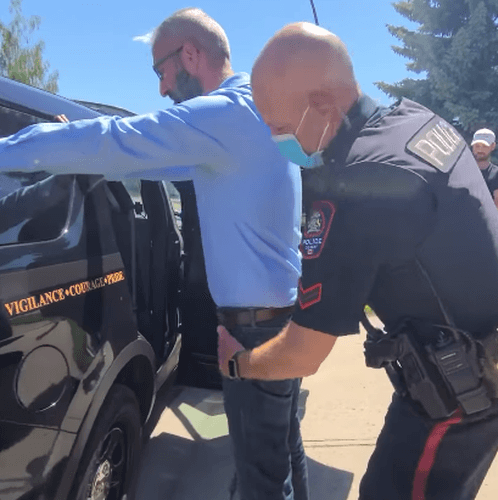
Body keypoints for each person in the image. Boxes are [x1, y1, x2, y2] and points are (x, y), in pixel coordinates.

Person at [216, 22, 498, 500]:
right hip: (491, 368)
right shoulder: (414, 119)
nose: (271, 137)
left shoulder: (354, 188)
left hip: (456, 399)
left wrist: (239, 364)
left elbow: (304, 353)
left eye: (277, 126)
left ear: (322, 105)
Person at [0, 9, 308, 500]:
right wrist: (77, 145)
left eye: (160, 71)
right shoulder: (262, 113)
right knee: (282, 457)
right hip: (281, 319)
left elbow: (118, 141)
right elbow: (167, 163)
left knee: (263, 480)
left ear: (190, 54)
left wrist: (14, 148)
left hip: (256, 330)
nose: (162, 88)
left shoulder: (224, 115)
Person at [471, 128, 498, 214]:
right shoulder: (461, 171)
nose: (480, 150)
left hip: (481, 225)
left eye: (485, 146)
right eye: (477, 146)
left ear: (493, 146)